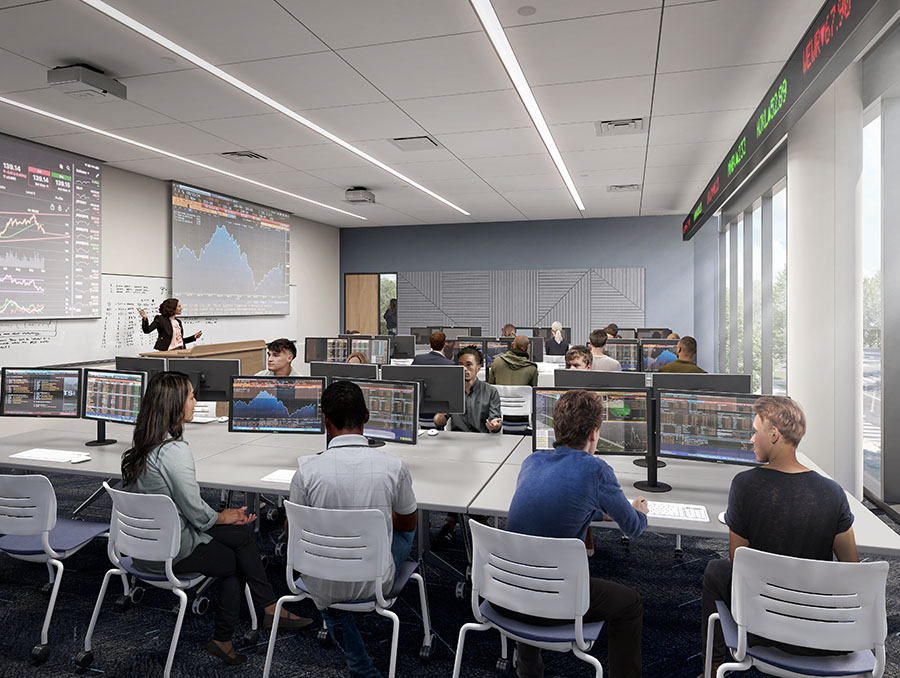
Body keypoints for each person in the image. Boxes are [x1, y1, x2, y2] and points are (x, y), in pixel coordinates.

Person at [121, 372, 311, 666]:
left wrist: (226, 518)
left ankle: (271, 609)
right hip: (170, 552)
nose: (196, 401)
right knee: (235, 562)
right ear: (175, 405)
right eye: (191, 396)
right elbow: (197, 512)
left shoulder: (140, 448)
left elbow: (186, 511)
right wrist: (223, 515)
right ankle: (225, 638)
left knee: (244, 535)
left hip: (141, 548)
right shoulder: (174, 451)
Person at [700, 396, 858, 674]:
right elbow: (851, 569)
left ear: (773, 435)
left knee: (715, 570)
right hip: (824, 633)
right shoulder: (833, 492)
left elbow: (739, 564)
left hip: (763, 627)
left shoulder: (745, 485)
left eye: (755, 431)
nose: (751, 438)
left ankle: (711, 669)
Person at [502, 389, 648, 678]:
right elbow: (632, 527)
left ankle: (528, 670)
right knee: (631, 604)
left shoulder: (532, 461)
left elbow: (556, 506)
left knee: (533, 557)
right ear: (594, 434)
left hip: (509, 593)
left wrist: (594, 510)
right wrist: (640, 511)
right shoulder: (597, 470)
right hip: (555, 600)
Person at [289, 381, 417, 678]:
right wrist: (376, 523)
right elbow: (408, 525)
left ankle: (340, 626)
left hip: (320, 580)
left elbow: (293, 532)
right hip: (375, 582)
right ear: (367, 417)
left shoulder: (306, 471)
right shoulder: (394, 467)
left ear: (325, 422)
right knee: (403, 528)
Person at [434, 346, 502, 433]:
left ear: (478, 368)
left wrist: (494, 425)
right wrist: (440, 416)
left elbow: (496, 422)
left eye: (468, 364)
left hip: (481, 440)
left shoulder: (490, 391)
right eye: (461, 365)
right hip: (457, 440)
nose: (464, 369)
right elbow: (439, 423)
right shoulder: (451, 391)